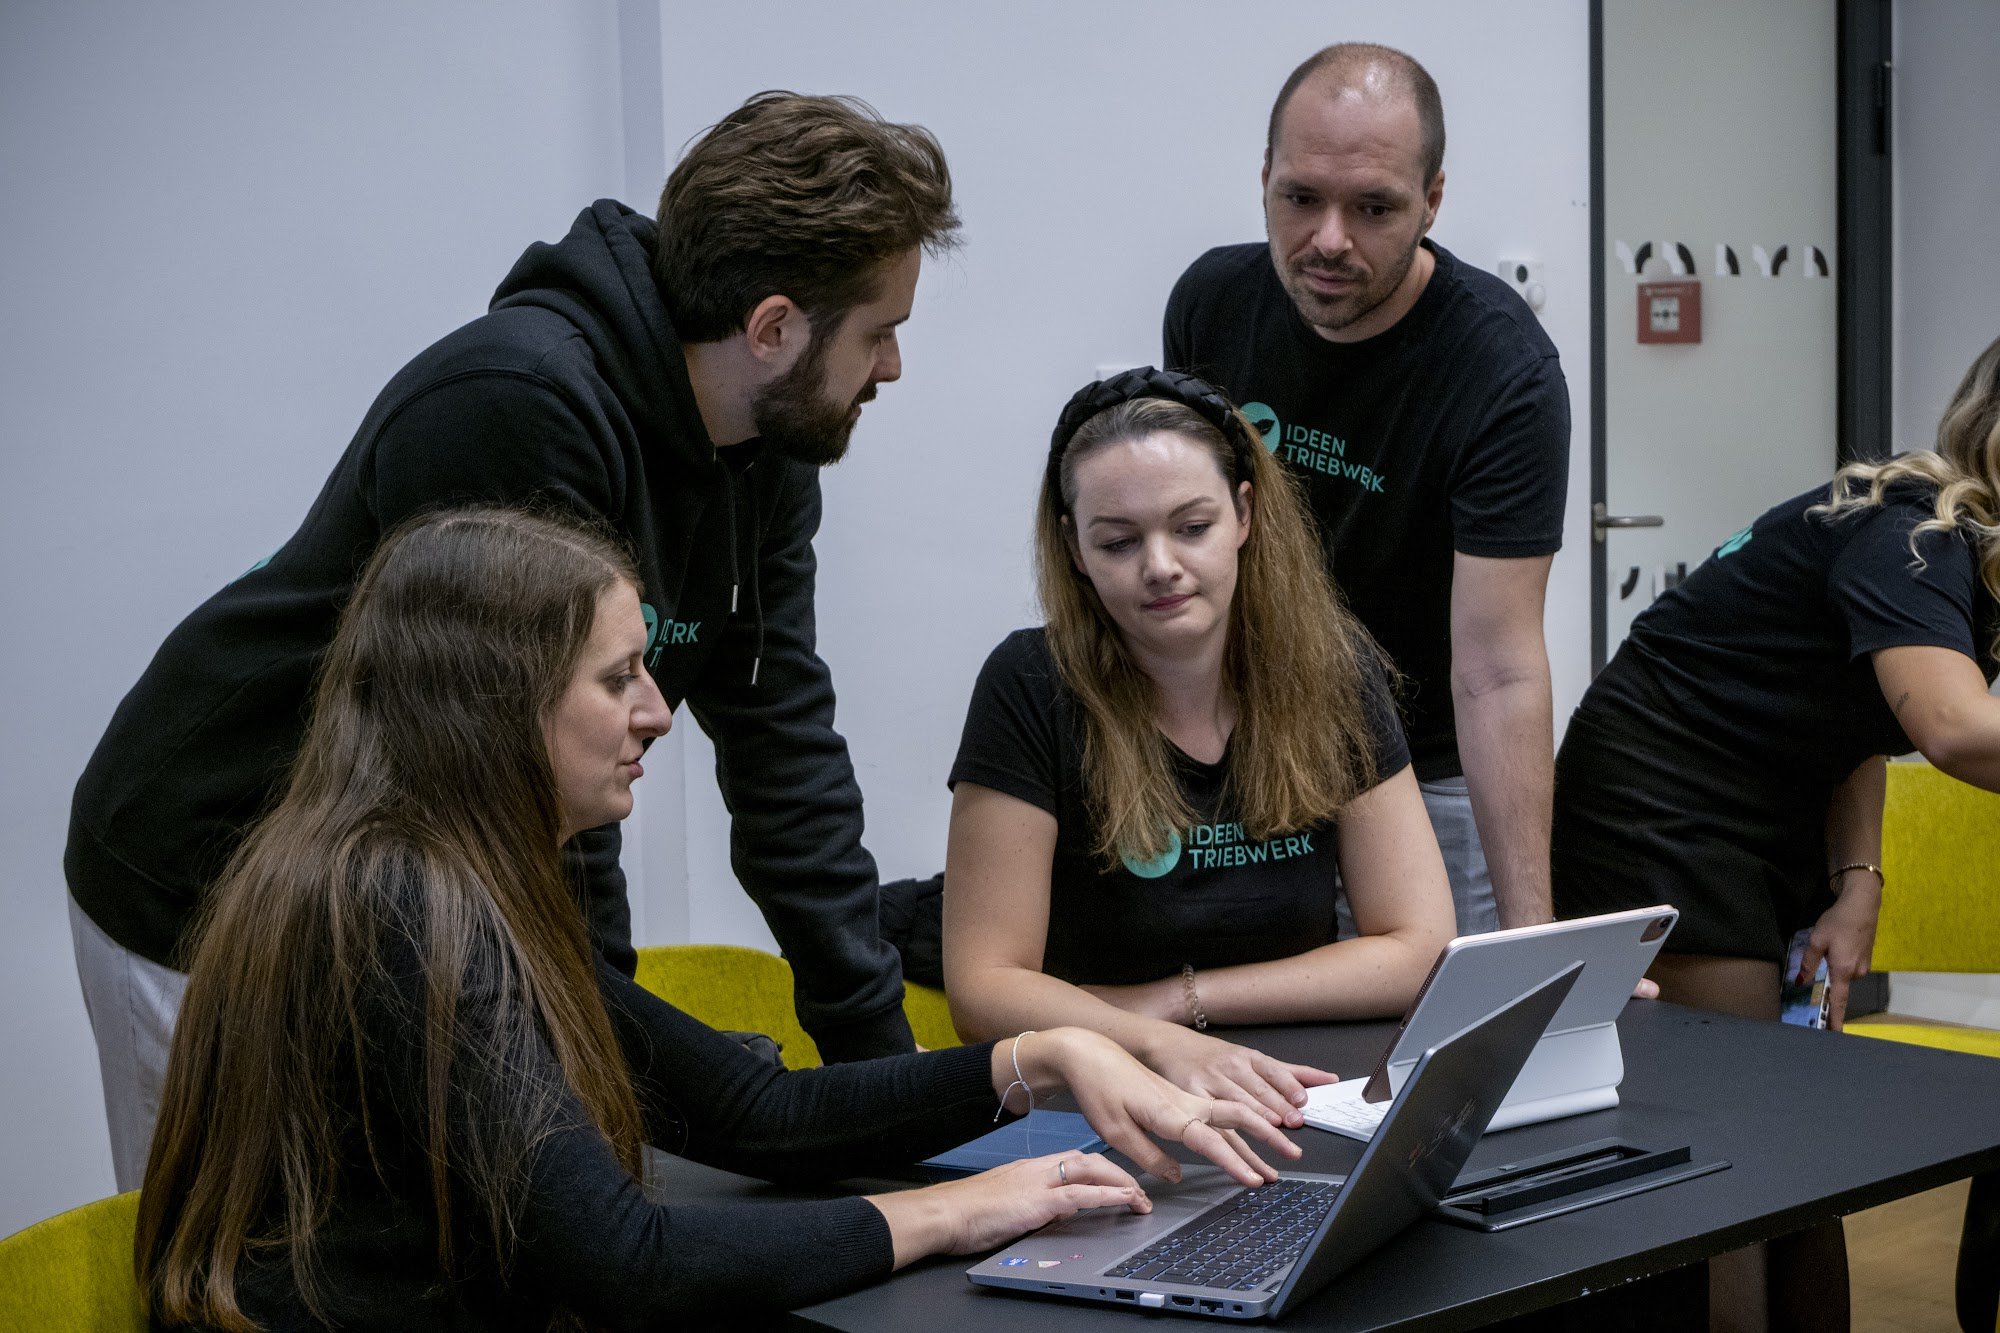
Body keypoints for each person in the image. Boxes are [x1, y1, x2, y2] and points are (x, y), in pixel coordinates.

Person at [69, 91, 954, 1190]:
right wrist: (601, 1100)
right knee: (240, 1251)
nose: (891, 367)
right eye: (879, 332)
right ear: (772, 328)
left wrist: (889, 1098)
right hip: (212, 861)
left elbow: (785, 753)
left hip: (404, 887)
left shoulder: (768, 447)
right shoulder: (519, 405)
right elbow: (533, 795)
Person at [136, 506, 1300, 1331]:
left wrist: (1038, 1056)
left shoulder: (434, 874)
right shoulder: (404, 906)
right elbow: (626, 1261)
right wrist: (964, 1207)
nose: (656, 712)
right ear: (495, 702)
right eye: (617, 678)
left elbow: (755, 1110)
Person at [1552, 335, 2000, 1329]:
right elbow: (1952, 726)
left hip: (1768, 799)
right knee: (1738, 1134)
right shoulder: (1914, 535)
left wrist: (1857, 878)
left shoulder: (1956, 548)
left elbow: (1856, 711)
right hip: (1659, 795)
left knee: (1794, 1136)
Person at [943, 369, 1456, 1127]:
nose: (1160, 565)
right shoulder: (1028, 683)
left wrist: (1179, 1002)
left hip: (1301, 1086)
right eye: (1118, 541)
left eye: (1191, 528)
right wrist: (1156, 1043)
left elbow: (1419, 948)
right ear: (1074, 547)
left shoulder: (1331, 667)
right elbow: (983, 990)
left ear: (1244, 514)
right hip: (1097, 1095)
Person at [1163, 43, 1570, 937]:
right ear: (1264, 177)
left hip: (1428, 774)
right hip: (1254, 754)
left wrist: (1530, 936)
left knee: (1450, 1012)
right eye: (1301, 198)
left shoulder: (1501, 371)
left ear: (1432, 201)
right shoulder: (1212, 303)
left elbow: (1497, 668)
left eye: (1374, 207)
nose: (1329, 240)